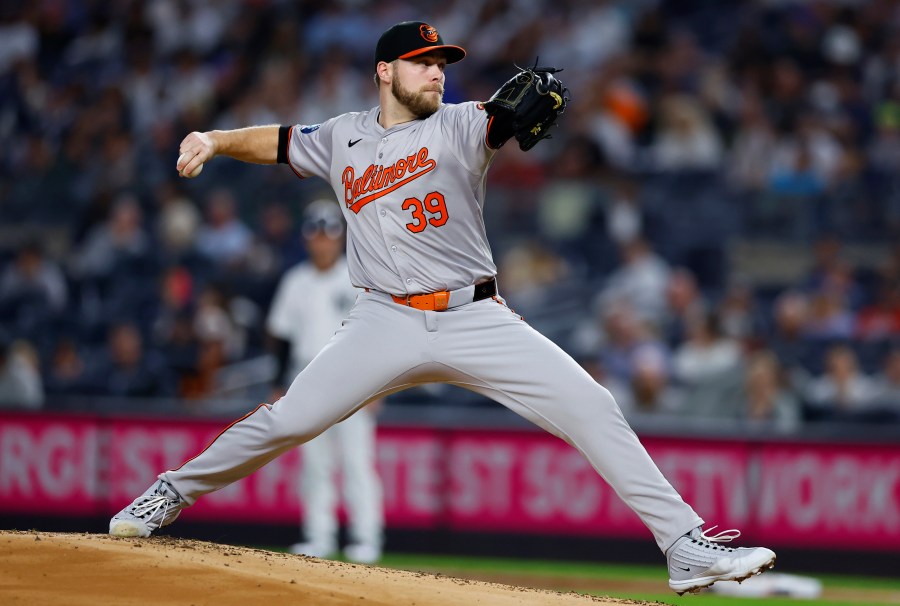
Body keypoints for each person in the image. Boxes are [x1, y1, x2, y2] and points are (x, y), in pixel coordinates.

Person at [109, 21, 776, 595]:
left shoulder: (462, 124)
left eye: (442, 64)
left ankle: (684, 547)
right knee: (288, 419)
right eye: (423, 63)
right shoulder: (341, 137)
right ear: (384, 71)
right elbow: (281, 140)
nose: (436, 73)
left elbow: (498, 118)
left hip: (474, 316)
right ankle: (171, 491)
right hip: (383, 321)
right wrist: (217, 139)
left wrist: (516, 113)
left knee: (593, 405)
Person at [267, 199, 383, 564]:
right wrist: (277, 385)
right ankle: (319, 536)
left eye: (329, 235)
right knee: (315, 465)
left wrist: (377, 385)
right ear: (307, 240)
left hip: (352, 380)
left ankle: (366, 538)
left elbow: (375, 336)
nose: (322, 242)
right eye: (316, 235)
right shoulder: (295, 282)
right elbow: (282, 339)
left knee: (356, 463)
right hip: (305, 377)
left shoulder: (357, 278)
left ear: (340, 239)